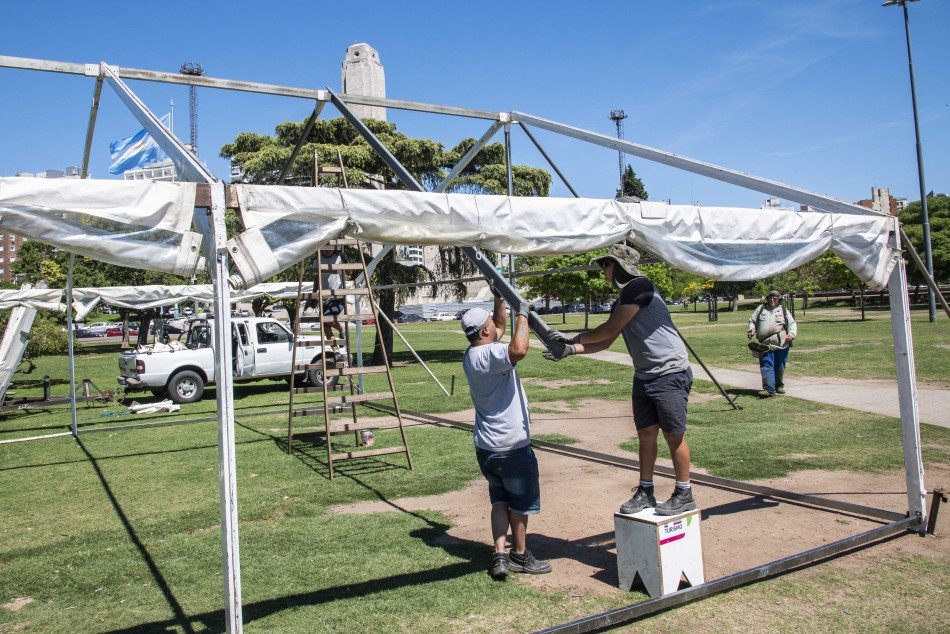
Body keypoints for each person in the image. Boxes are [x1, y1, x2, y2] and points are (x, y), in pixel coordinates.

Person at [544, 244, 696, 517]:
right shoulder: (623, 300)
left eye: (606, 264)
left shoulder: (639, 287)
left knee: (673, 436)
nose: (603, 270)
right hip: (645, 375)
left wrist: (572, 337)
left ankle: (684, 493)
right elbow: (607, 341)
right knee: (646, 435)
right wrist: (571, 350)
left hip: (670, 373)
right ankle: (646, 491)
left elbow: (609, 329)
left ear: (620, 265)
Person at [461, 293, 552, 579]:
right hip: (510, 445)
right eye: (489, 321)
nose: (494, 323)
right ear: (484, 331)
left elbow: (499, 328)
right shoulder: (492, 355)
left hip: (487, 447)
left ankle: (500, 554)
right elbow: (519, 349)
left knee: (499, 501)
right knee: (520, 504)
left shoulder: (472, 354)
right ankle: (520, 556)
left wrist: (499, 299)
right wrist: (523, 314)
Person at [747, 290, 797, 397]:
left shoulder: (783, 310)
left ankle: (779, 385)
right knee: (766, 365)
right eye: (770, 298)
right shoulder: (761, 309)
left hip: (781, 344)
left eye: (775, 298)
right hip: (764, 344)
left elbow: (792, 323)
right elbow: (752, 321)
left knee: (780, 366)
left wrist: (791, 334)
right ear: (767, 298)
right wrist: (751, 330)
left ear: (779, 299)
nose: (772, 300)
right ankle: (769, 389)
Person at [313, 245, 346, 361]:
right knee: (325, 325)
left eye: (330, 247)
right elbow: (316, 279)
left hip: (337, 296)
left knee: (326, 319)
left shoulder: (339, 258)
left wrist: (346, 261)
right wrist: (313, 295)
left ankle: (341, 329)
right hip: (324, 297)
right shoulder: (317, 261)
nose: (328, 250)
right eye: (325, 247)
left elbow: (349, 272)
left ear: (334, 247)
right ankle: (336, 351)